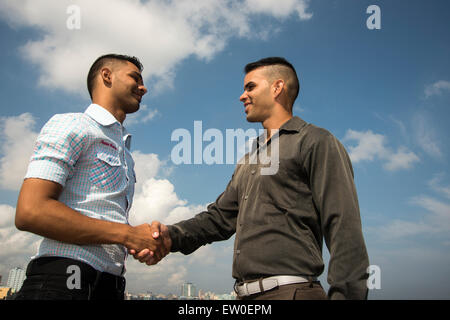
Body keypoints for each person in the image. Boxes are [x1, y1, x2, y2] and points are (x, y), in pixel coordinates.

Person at [134, 57, 370, 300]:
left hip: (292, 293)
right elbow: (218, 219)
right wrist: (169, 236)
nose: (242, 96)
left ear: (277, 88)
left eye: (250, 87)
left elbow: (343, 224)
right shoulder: (249, 159)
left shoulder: (315, 141)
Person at [14, 54, 167, 300]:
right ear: (107, 75)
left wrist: (139, 241)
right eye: (135, 78)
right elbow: (31, 211)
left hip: (110, 286)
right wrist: (127, 234)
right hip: (63, 280)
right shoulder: (72, 125)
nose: (144, 87)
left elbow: (103, 219)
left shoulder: (126, 153)